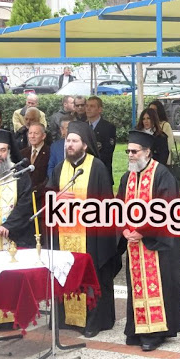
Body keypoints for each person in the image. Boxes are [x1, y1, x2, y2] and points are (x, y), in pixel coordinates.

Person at [48, 121, 118, 338]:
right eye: (68, 141)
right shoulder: (60, 169)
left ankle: (93, 321)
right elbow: (50, 201)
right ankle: (67, 319)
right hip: (65, 234)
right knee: (65, 273)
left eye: (74, 141)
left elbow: (106, 207)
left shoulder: (97, 168)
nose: (69, 145)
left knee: (91, 276)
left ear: (85, 145)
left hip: (90, 237)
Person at [118, 131, 180, 352]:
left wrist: (143, 231)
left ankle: (156, 332)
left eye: (134, 151)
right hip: (134, 243)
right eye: (128, 151)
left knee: (158, 286)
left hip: (157, 244)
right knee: (135, 287)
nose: (130, 156)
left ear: (147, 152)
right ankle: (137, 328)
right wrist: (125, 229)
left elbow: (166, 209)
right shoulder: (128, 177)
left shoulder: (162, 174)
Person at [86, 96, 116, 185]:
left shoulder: (108, 127)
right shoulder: (82, 126)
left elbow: (107, 152)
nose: (88, 108)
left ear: (100, 109)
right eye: (87, 106)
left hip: (101, 173)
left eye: (92, 106)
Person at [20, 123, 50, 200]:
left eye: (36, 133)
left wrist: (36, 191)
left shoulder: (50, 152)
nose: (32, 136)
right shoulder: (22, 153)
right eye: (30, 133)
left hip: (42, 196)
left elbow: (49, 177)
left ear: (43, 136)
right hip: (24, 197)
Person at [149, 100, 175, 167]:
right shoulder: (147, 125)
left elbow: (169, 144)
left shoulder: (165, 125)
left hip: (162, 161)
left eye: (154, 110)